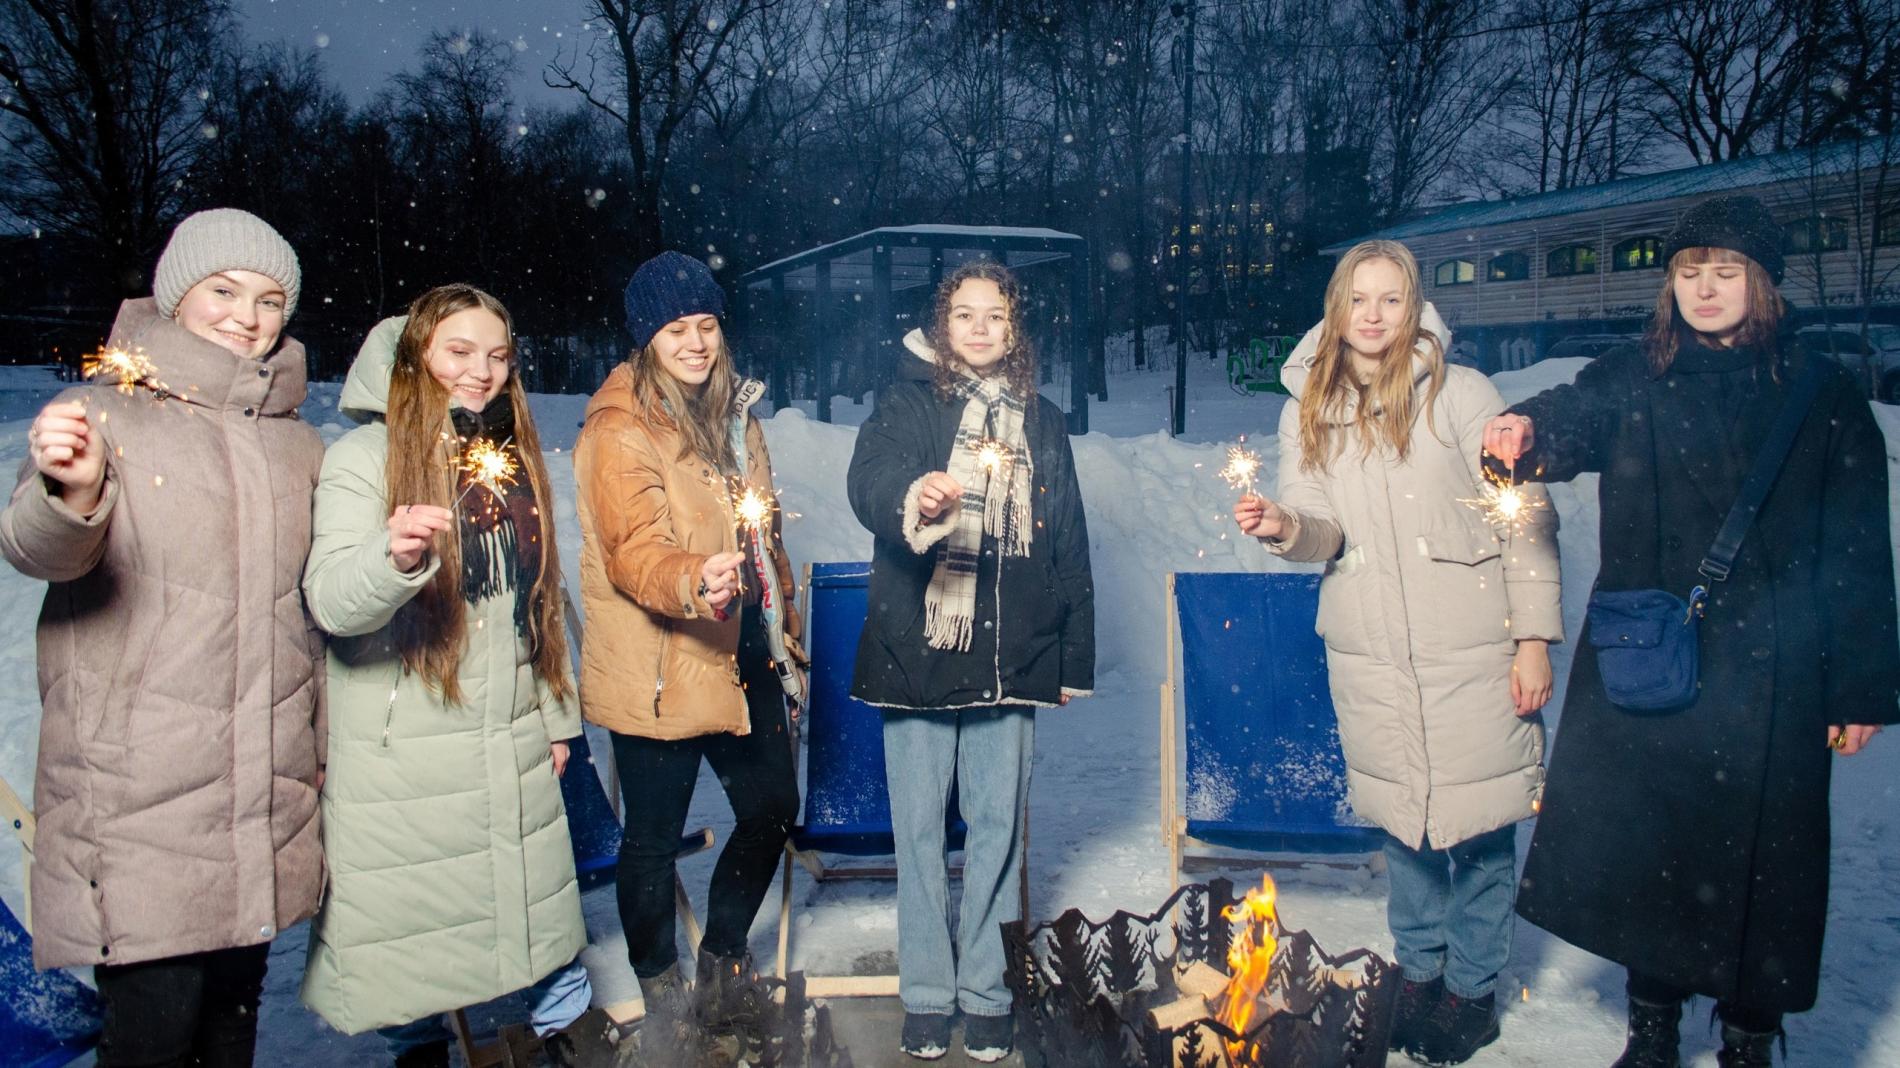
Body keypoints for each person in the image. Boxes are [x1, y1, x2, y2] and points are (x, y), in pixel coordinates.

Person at [1485, 195, 1899, 1068]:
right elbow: (1574, 414)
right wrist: (1528, 431)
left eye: (1726, 271)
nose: (1704, 288)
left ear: (1763, 282)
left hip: (1777, 671)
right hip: (1654, 657)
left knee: (1764, 868)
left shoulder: (1821, 393)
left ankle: (1750, 1038)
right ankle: (1652, 1029)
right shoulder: (1635, 373)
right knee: (1656, 851)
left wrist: (1860, 685)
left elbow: (1859, 550)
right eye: (1688, 271)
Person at [0, 209, 322, 1067]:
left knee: (230, 1028)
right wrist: (70, 494)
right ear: (176, 294)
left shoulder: (296, 444)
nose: (246, 317)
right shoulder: (102, 414)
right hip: (138, 794)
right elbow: (38, 549)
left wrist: (318, 751)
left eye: (269, 300)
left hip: (260, 789)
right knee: (154, 1034)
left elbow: (310, 614)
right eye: (223, 290)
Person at [1233, 240, 1562, 1066]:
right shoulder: (1308, 407)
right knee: (1405, 825)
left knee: (1480, 827)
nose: (1373, 315)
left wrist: (1532, 643)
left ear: (1412, 306)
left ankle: (1472, 990)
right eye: (1358, 298)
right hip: (1371, 650)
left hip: (1471, 647)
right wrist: (1285, 527)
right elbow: (1322, 528)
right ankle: (1419, 976)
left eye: (1389, 299)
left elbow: (1524, 518)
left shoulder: (1463, 394)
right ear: (1336, 307)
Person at [298, 286, 617, 1068]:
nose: (482, 372)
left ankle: (566, 1042)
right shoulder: (363, 458)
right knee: (411, 934)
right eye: (460, 352)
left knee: (536, 916)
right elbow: (332, 602)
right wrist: (392, 557)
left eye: (498, 356)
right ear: (415, 357)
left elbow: (535, 605)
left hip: (508, 734)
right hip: (404, 750)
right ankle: (419, 1052)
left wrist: (555, 719)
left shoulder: (503, 458)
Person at [845, 260, 1096, 1063]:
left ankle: (986, 990)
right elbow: (870, 480)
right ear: (941, 325)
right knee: (919, 833)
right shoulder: (906, 402)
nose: (980, 328)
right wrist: (913, 497)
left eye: (996, 316)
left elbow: (1068, 539)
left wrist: (1070, 658)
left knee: (996, 831)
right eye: (964, 314)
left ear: (1014, 330)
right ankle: (926, 992)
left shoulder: (1042, 421)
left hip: (1010, 656)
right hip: (915, 649)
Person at [572, 251, 806, 1050]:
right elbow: (631, 548)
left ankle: (723, 961)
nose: (697, 342)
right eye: (677, 329)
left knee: (772, 807)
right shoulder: (620, 427)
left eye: (706, 325)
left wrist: (785, 627)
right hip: (661, 661)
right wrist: (691, 578)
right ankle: (662, 990)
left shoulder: (738, 418)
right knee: (652, 838)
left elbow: (765, 537)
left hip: (743, 650)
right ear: (647, 339)